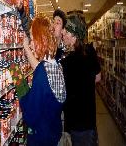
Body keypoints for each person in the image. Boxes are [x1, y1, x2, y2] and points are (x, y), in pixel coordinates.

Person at [20, 14, 66, 146]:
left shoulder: (42, 72)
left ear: (41, 39)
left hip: (41, 138)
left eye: (33, 38)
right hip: (53, 133)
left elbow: (31, 115)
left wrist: (19, 81)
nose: (31, 43)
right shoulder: (57, 65)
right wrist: (27, 48)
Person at [61, 12, 101, 146]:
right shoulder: (90, 51)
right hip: (89, 120)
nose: (63, 34)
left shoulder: (68, 62)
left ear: (74, 35)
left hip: (78, 124)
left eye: (66, 32)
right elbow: (98, 77)